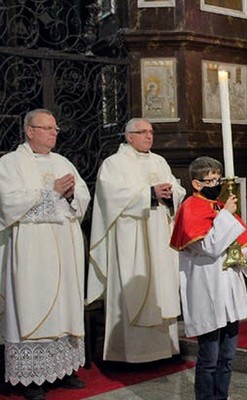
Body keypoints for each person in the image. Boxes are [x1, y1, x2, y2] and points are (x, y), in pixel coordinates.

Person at [0, 109, 91, 400]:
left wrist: (70, 195)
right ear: (29, 131)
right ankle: (31, 379)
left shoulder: (62, 161)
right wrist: (49, 192)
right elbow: (7, 203)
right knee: (33, 304)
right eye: (47, 128)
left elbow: (84, 196)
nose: (54, 133)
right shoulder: (10, 163)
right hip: (32, 248)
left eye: (55, 128)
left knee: (65, 303)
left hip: (65, 245)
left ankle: (63, 369)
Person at [87, 117, 186, 363]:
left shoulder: (159, 161)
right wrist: (149, 194)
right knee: (134, 289)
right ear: (128, 136)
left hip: (159, 236)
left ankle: (164, 350)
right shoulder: (114, 164)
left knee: (161, 288)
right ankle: (129, 355)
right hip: (131, 239)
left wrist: (172, 193)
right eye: (142, 132)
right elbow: (111, 197)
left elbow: (177, 188)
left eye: (151, 132)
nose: (149, 136)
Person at [170, 156, 247, 400]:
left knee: (227, 357)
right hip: (208, 288)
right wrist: (226, 215)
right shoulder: (190, 208)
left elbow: (244, 239)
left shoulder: (217, 207)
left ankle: (221, 396)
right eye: (211, 180)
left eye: (218, 179)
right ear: (196, 184)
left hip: (228, 288)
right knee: (209, 357)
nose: (216, 184)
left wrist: (240, 252)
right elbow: (210, 246)